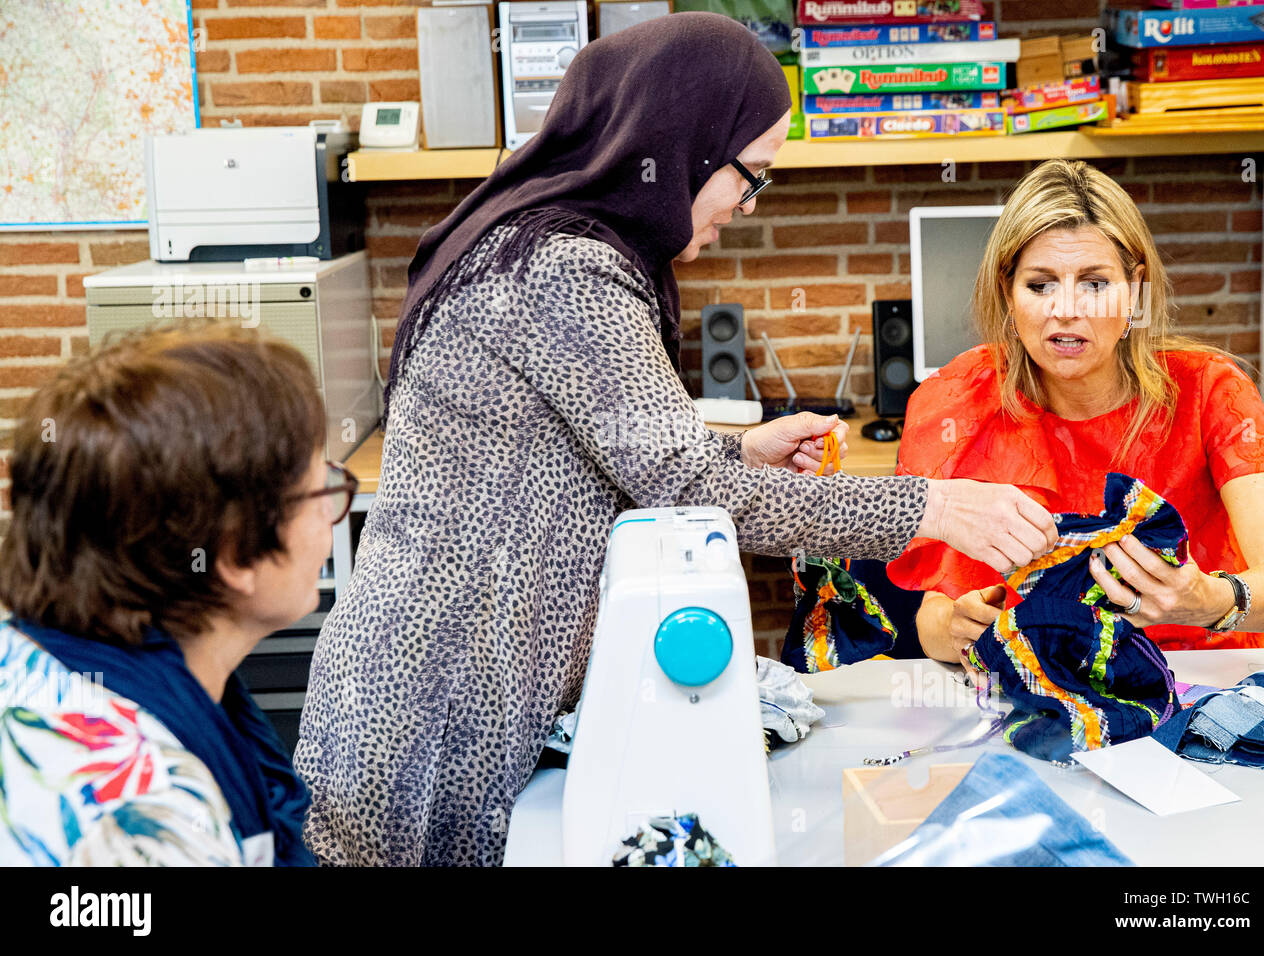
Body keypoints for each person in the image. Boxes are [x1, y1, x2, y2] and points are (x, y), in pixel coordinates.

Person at [294, 12, 1058, 867]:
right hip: (434, 709)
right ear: (681, 144)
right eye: (750, 175)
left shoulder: (556, 247)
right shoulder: (565, 270)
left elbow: (604, 455)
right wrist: (933, 505)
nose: (745, 203)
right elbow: (688, 490)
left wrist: (737, 452)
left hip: (453, 687)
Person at [889, 158, 1264, 662]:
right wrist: (956, 627)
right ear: (1007, 294)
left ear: (1136, 291)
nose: (1066, 308)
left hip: (1206, 671)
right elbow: (933, 621)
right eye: (1040, 285)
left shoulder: (1209, 389)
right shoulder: (958, 403)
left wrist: (1208, 600)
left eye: (1095, 283)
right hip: (1047, 678)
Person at [0, 325, 350, 866]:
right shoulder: (146, 821)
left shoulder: (30, 659)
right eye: (321, 490)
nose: (332, 510)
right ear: (233, 555)